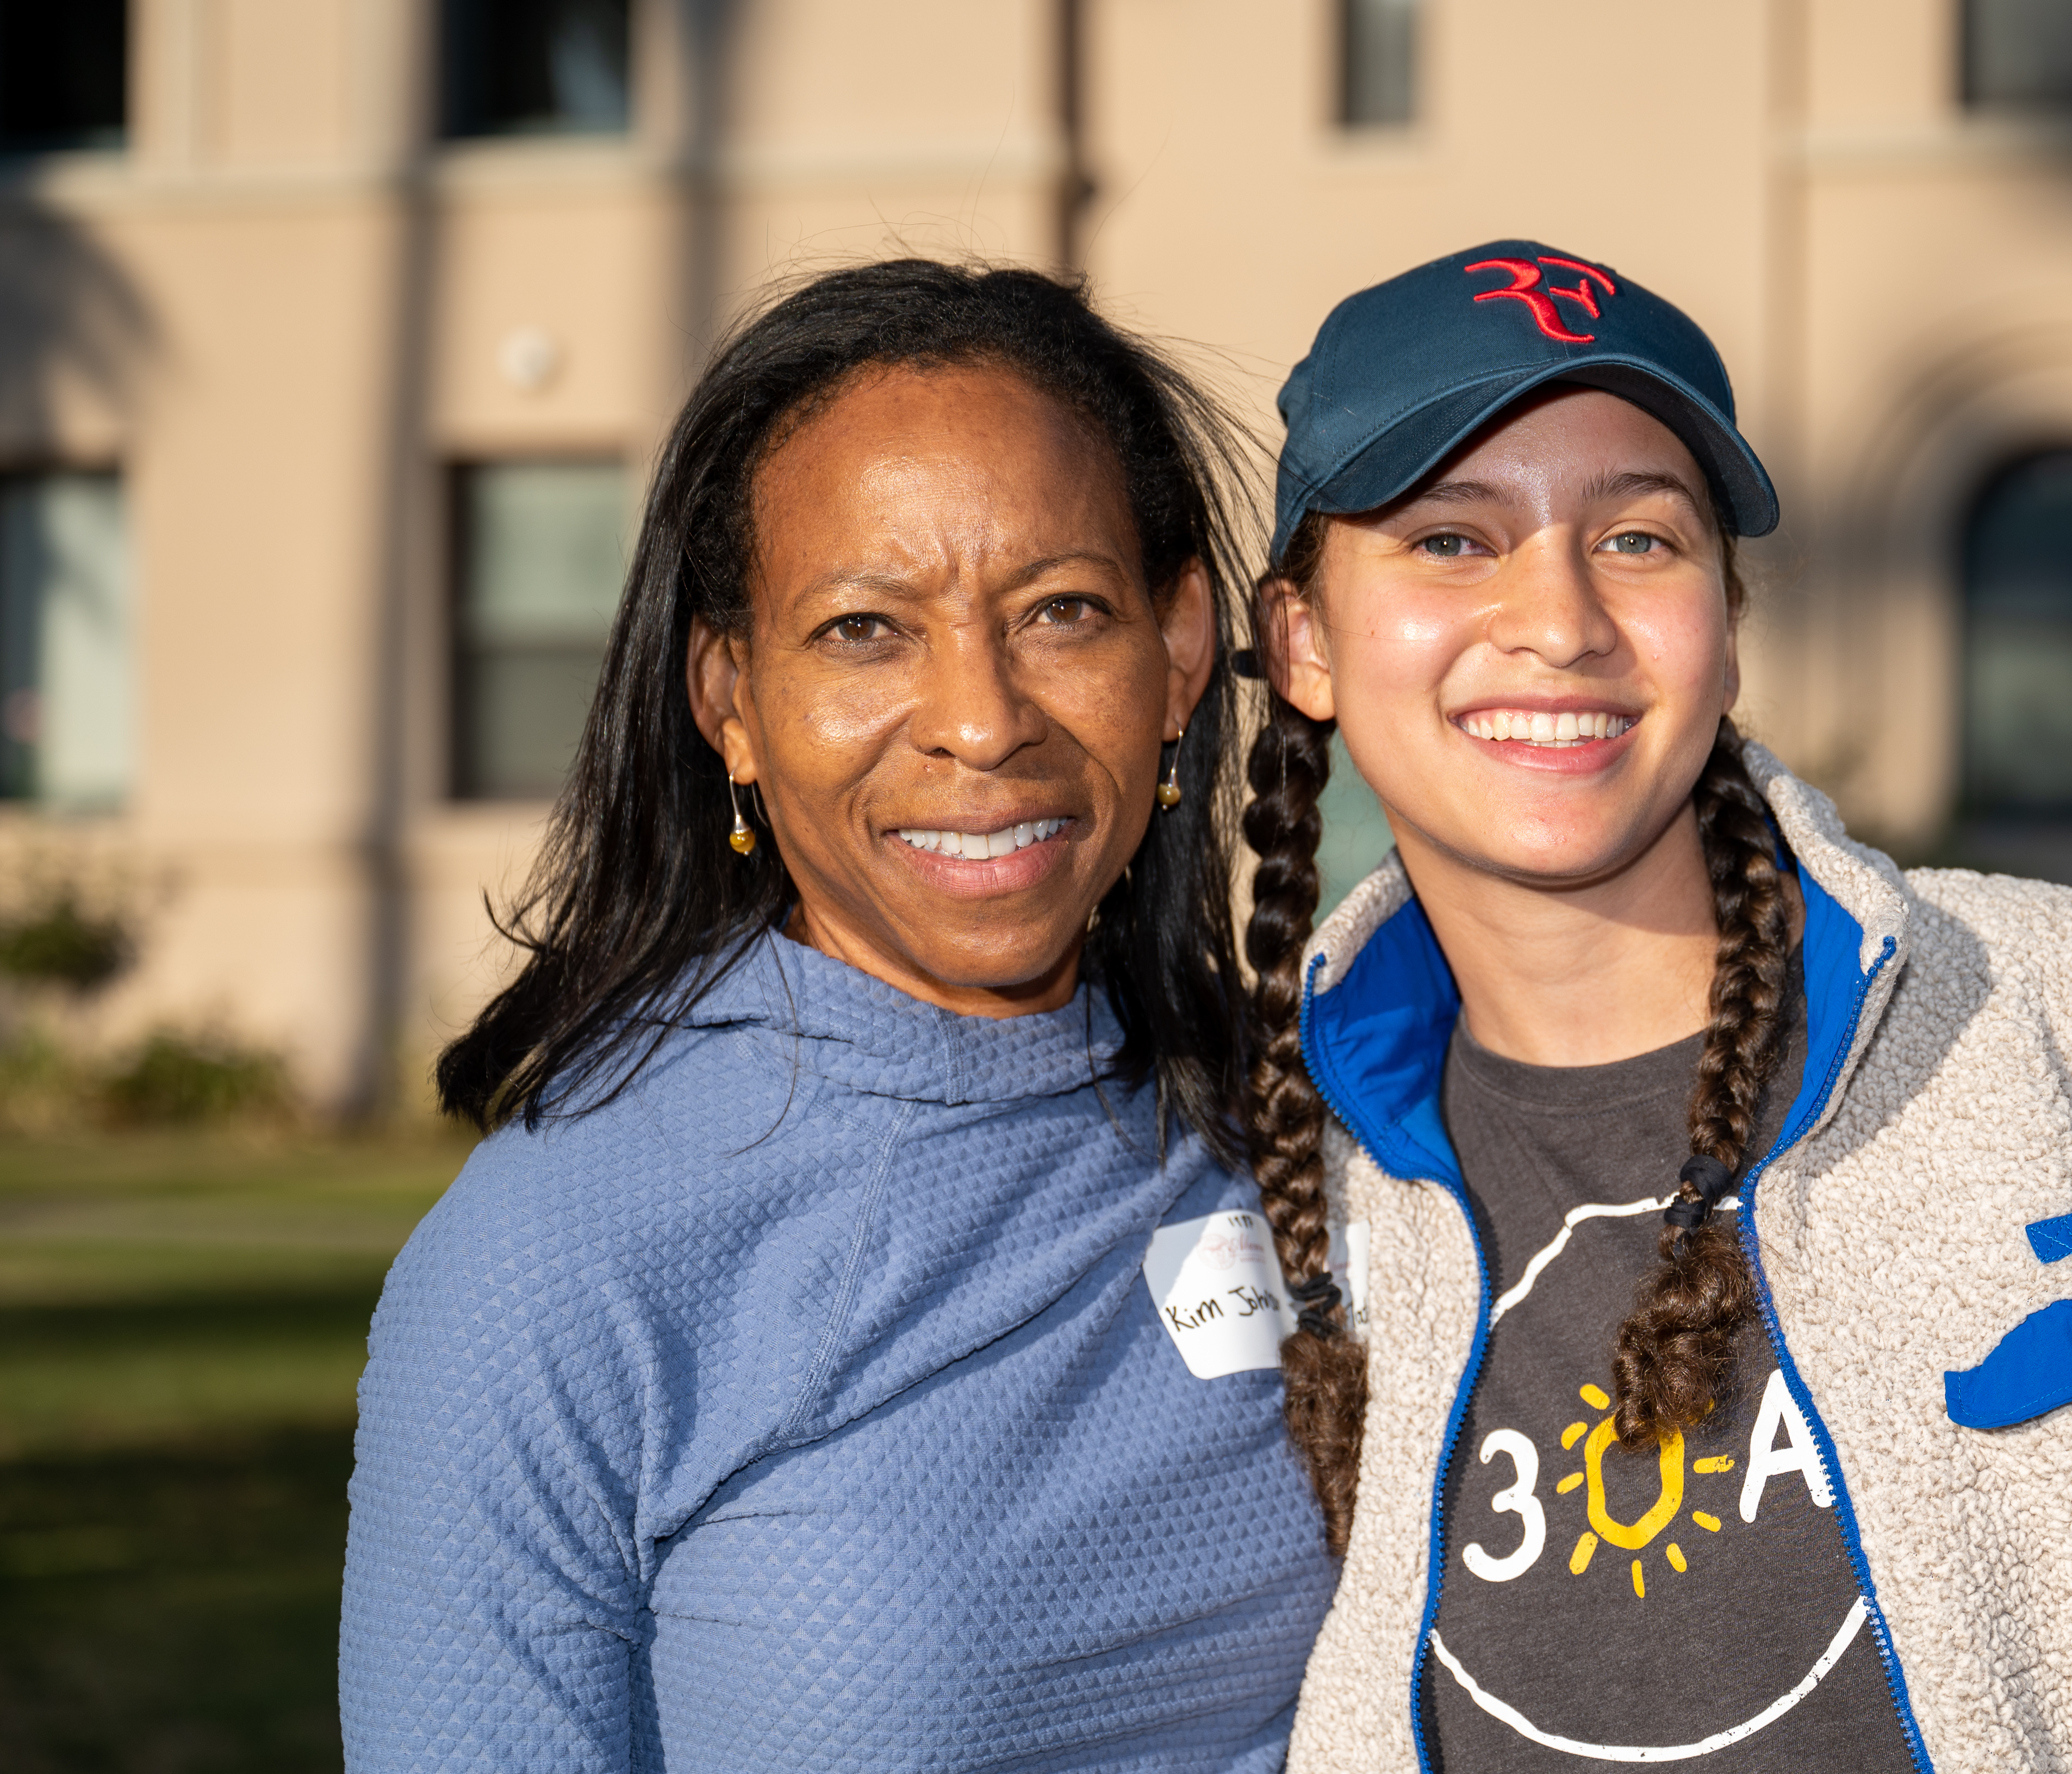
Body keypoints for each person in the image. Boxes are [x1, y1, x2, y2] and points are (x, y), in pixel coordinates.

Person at [1236, 243, 2072, 1772]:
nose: (1559, 620)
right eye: (1449, 541)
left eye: (1639, 539)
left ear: (1727, 623)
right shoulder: (1292, 1170)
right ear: (1302, 642)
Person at [340, 262, 1338, 1770]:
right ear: (730, 695)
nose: (983, 717)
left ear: (1182, 652)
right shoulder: (555, 1260)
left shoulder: (1306, 1138)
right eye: (867, 630)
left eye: (1064, 611)